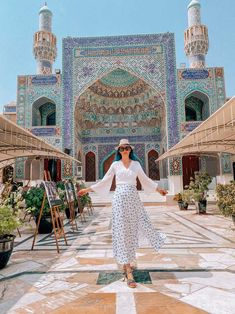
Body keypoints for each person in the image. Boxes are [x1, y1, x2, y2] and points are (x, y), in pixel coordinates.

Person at [78, 139, 167, 288]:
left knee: (132, 231)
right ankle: (127, 268)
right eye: (122, 149)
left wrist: (159, 190)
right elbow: (105, 181)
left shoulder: (136, 164)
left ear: (130, 150)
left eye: (126, 148)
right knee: (121, 231)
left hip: (133, 200)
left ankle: (129, 261)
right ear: (118, 151)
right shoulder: (115, 165)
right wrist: (87, 190)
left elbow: (145, 180)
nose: (124, 150)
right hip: (119, 200)